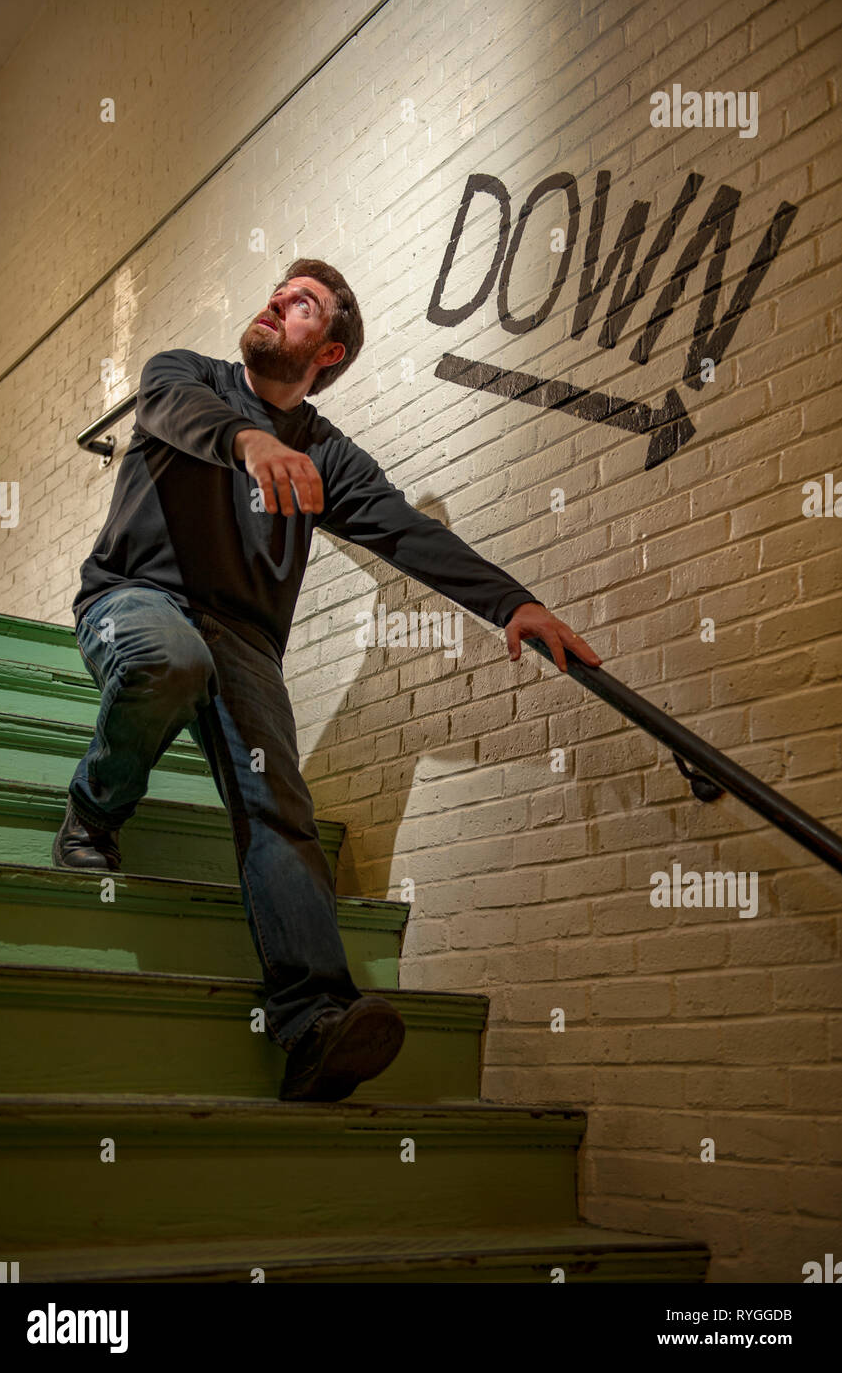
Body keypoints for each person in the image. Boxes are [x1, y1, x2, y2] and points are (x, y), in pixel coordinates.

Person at [53, 257, 602, 1103]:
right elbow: (178, 414)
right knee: (170, 660)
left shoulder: (330, 456)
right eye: (278, 292)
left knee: (282, 807)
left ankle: (312, 1022)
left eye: (302, 304)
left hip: (243, 638)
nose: (277, 302)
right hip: (134, 597)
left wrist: (514, 605)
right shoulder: (183, 376)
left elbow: (407, 535)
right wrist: (249, 439)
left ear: (330, 353)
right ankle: (95, 807)